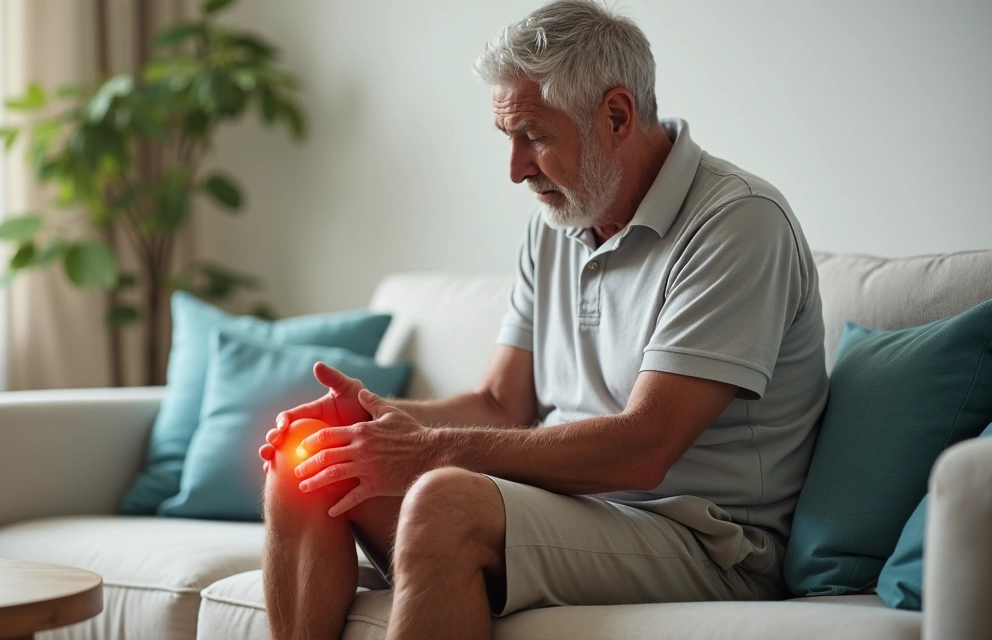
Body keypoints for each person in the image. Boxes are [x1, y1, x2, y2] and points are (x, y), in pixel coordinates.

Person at [257, 1, 828, 638]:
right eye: (508, 137)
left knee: (443, 500)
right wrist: (366, 424)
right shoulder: (557, 221)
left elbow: (645, 448)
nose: (515, 168)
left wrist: (431, 451)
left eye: (534, 135)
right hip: (572, 510)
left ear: (616, 115)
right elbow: (503, 402)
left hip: (707, 542)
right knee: (308, 462)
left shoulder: (738, 223)